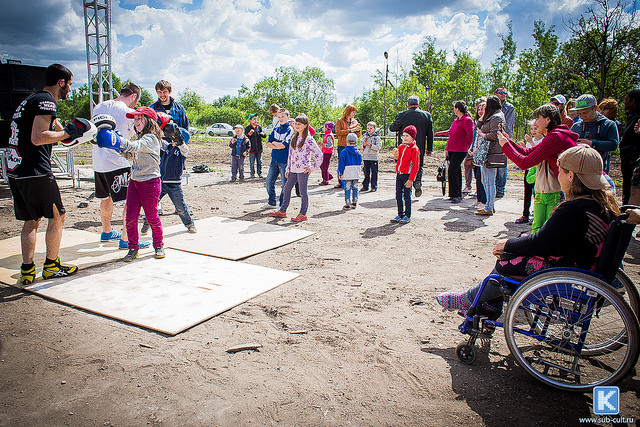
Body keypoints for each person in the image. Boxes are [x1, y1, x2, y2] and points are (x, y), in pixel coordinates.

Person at [436, 145, 619, 318]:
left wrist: (508, 243)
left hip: (568, 270)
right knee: (514, 248)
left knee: (506, 259)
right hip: (584, 265)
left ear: (570, 176)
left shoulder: (573, 210)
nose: (558, 176)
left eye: (560, 171)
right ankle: (486, 305)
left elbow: (540, 243)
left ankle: (472, 299)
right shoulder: (601, 204)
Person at [7, 63, 87, 284]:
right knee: (57, 215)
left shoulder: (29, 100)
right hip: (36, 171)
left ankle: (27, 270)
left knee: (31, 219)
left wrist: (69, 133)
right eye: (69, 85)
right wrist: (66, 132)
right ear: (61, 82)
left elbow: (60, 134)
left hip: (17, 170)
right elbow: (39, 136)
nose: (69, 90)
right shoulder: (46, 101)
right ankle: (51, 266)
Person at [96, 106, 164, 261]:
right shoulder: (140, 138)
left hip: (150, 183)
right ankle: (133, 248)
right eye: (135, 118)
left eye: (140, 118)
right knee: (130, 217)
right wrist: (114, 146)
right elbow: (130, 154)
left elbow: (134, 147)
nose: (136, 121)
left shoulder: (151, 138)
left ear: (149, 120)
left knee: (152, 216)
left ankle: (158, 245)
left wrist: (117, 140)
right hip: (135, 182)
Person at [498, 104, 578, 231]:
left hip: (577, 187)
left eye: (537, 118)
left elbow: (524, 163)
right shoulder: (555, 135)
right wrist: (508, 141)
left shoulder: (555, 137)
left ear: (548, 119)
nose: (535, 123)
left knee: (552, 229)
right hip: (574, 186)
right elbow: (527, 152)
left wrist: (505, 146)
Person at [92, 82, 150, 250]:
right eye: (136, 101)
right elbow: (136, 136)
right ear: (134, 96)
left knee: (105, 197)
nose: (135, 105)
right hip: (117, 162)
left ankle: (107, 231)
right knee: (130, 202)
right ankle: (127, 238)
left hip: (98, 160)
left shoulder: (99, 106)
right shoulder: (128, 112)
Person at [141, 113, 196, 235]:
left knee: (180, 206)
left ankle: (189, 224)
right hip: (161, 182)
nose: (173, 140)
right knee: (152, 204)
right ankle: (146, 222)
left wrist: (180, 140)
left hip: (174, 184)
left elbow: (184, 147)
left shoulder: (182, 150)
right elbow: (158, 140)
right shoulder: (167, 147)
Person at [269, 114, 322, 221]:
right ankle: (282, 210)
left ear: (305, 125)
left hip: (303, 171)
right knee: (287, 188)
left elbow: (319, 155)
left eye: (300, 124)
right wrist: (288, 168)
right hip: (293, 170)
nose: (297, 126)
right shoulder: (294, 137)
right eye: (296, 124)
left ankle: (303, 213)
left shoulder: (308, 139)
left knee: (303, 191)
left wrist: (311, 168)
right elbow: (290, 155)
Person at [389, 96, 433, 197]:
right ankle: (417, 182)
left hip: (404, 147)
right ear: (418, 104)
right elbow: (430, 133)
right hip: (419, 146)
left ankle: (405, 187)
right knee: (418, 165)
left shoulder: (402, 114)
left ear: (408, 105)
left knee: (405, 165)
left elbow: (393, 128)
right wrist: (429, 148)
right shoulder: (426, 115)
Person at [570, 94, 619, 174]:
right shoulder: (576, 126)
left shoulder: (608, 125)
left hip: (599, 170)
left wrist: (592, 143)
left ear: (595, 108)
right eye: (579, 113)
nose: (582, 116)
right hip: (578, 169)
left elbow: (613, 144)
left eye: (585, 113)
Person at [474, 95, 505, 216]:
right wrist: (483, 116)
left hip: (492, 152)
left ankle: (489, 206)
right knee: (484, 179)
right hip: (486, 152)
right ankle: (489, 205)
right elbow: (478, 124)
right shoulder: (492, 115)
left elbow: (494, 134)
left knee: (489, 181)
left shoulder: (497, 117)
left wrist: (482, 135)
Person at [514, 120, 543, 225]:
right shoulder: (530, 141)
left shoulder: (543, 141)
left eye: (536, 128)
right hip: (529, 170)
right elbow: (527, 154)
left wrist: (531, 142)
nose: (533, 131)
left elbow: (536, 152)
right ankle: (525, 214)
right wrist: (522, 148)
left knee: (537, 194)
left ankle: (536, 215)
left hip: (538, 171)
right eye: (532, 129)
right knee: (527, 193)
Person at [445, 101, 474, 203]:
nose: (454, 110)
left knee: (453, 170)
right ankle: (453, 194)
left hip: (460, 149)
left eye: (454, 108)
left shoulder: (467, 120)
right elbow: (450, 134)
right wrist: (447, 149)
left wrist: (466, 145)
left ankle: (456, 194)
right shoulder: (456, 120)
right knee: (455, 170)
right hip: (452, 148)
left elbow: (470, 136)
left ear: (458, 109)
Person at [264, 108, 293, 208]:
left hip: (284, 161)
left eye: (283, 117)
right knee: (269, 182)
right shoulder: (275, 129)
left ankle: (282, 205)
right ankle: (272, 202)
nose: (280, 119)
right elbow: (268, 143)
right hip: (274, 160)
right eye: (279, 117)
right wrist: (277, 144)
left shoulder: (290, 130)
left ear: (288, 117)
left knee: (284, 185)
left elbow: (283, 145)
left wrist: (275, 144)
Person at [391, 125, 420, 224]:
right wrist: (396, 157)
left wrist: (411, 179)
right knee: (398, 195)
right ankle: (400, 214)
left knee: (407, 196)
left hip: (407, 176)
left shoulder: (414, 149)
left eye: (407, 136)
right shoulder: (401, 146)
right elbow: (398, 160)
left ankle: (408, 215)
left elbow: (416, 166)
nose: (405, 138)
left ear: (413, 137)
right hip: (399, 174)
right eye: (404, 136)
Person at [620, 89, 640, 204]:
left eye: (626, 100)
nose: (624, 102)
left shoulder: (638, 117)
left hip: (633, 160)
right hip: (627, 159)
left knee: (632, 188)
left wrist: (632, 157)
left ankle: (630, 210)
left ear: (633, 101)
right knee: (627, 186)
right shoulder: (632, 116)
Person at [334, 105, 361, 188]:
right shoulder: (340, 120)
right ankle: (340, 181)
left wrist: (357, 131)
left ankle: (351, 181)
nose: (354, 114)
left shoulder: (354, 122)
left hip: (352, 146)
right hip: (342, 145)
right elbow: (337, 132)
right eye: (353, 112)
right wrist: (349, 130)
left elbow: (358, 135)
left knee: (351, 163)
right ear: (348, 112)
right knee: (342, 163)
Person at [495, 87, 515, 198]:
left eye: (505, 93)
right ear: (496, 94)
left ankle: (501, 188)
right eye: (501, 93)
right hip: (494, 138)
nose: (503, 95)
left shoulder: (509, 108)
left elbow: (508, 125)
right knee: (493, 164)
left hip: (504, 138)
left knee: (502, 165)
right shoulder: (492, 106)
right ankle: (493, 187)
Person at [469, 97, 487, 210]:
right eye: (479, 109)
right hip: (475, 153)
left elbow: (485, 140)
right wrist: (471, 148)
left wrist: (477, 150)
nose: (480, 111)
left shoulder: (487, 123)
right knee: (477, 176)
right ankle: (479, 199)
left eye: (483, 109)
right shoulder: (477, 122)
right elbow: (475, 137)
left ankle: (484, 201)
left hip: (482, 154)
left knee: (482, 178)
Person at [338, 133, 363, 209]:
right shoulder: (358, 152)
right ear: (356, 142)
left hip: (347, 173)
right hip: (355, 172)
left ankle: (347, 203)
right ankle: (354, 202)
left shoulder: (344, 152)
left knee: (347, 188)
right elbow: (360, 162)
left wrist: (340, 173)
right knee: (355, 187)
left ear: (346, 141)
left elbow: (341, 164)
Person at [360, 121, 382, 192]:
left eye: (371, 128)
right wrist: (364, 145)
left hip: (374, 158)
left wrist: (371, 145)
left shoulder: (377, 137)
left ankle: (374, 186)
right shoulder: (364, 137)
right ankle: (365, 186)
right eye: (368, 128)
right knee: (366, 172)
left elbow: (378, 147)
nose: (369, 129)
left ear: (374, 129)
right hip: (366, 157)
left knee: (374, 172)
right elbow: (360, 145)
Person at [245, 113, 266, 178]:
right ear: (250, 120)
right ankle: (252, 174)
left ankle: (259, 173)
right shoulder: (248, 128)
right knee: (252, 162)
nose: (255, 120)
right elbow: (246, 137)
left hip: (259, 148)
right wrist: (249, 134)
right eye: (254, 119)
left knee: (259, 162)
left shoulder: (259, 127)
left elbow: (264, 135)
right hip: (251, 148)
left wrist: (263, 134)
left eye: (256, 119)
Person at [319, 121, 335, 185]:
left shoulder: (329, 136)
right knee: (322, 165)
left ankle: (325, 180)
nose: (323, 128)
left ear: (327, 128)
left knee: (324, 167)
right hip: (325, 152)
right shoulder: (327, 134)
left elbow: (330, 145)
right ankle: (329, 176)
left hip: (328, 153)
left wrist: (323, 144)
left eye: (324, 127)